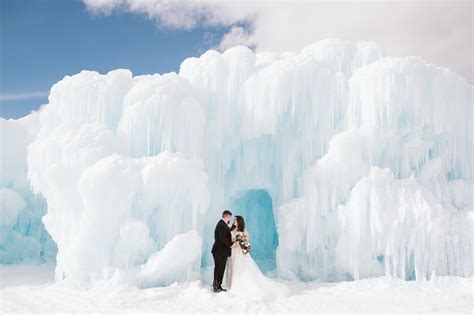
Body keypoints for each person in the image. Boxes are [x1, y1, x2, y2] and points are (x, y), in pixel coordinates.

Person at [227, 215, 289, 300]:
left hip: (240, 253)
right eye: (234, 219)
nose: (234, 221)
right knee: (232, 266)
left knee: (240, 268)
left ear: (239, 221)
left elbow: (246, 241)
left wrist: (241, 244)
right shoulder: (231, 229)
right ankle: (231, 283)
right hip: (232, 251)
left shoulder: (243, 231)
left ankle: (239, 283)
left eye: (235, 220)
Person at [211, 209, 234, 292]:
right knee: (220, 268)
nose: (230, 219)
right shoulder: (222, 225)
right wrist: (232, 244)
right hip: (220, 252)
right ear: (226, 216)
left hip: (219, 251)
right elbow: (223, 238)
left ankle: (216, 285)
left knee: (218, 268)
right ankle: (217, 286)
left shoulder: (222, 224)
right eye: (229, 217)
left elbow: (225, 234)